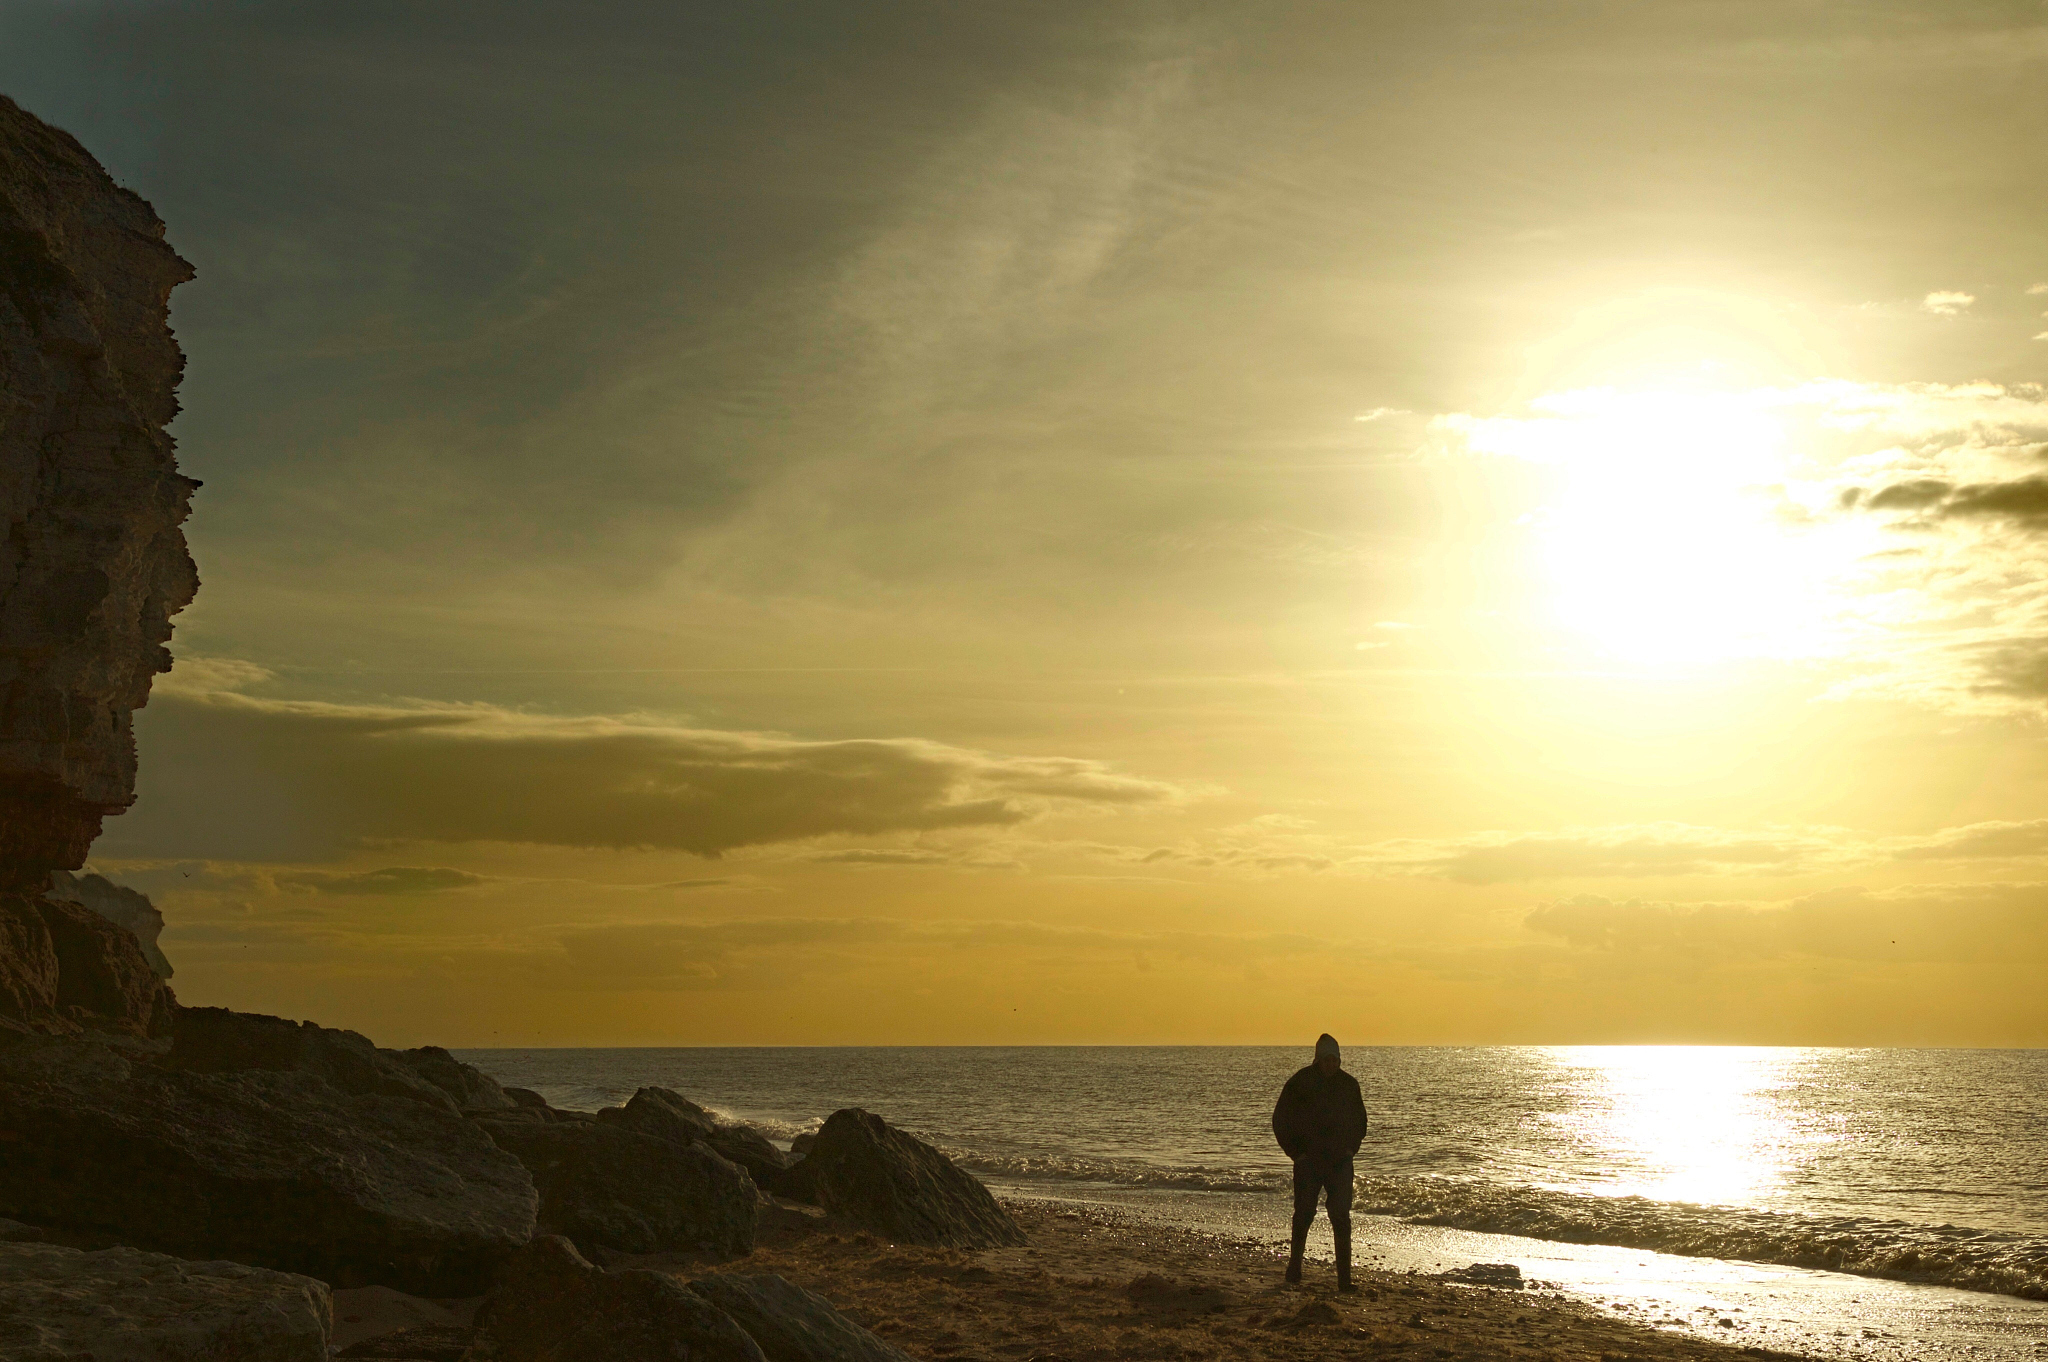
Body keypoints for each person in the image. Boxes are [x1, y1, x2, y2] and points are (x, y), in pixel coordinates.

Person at [1270, 1032, 1368, 1290]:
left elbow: (1361, 1121)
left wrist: (1351, 1150)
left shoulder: (1349, 1085)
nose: (1331, 1065)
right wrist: (1295, 1154)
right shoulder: (1300, 1082)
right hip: (1308, 1162)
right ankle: (1294, 1270)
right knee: (1303, 1215)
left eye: (1334, 1060)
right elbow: (1280, 1119)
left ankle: (1344, 1281)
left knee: (1341, 1218)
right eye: (1326, 1060)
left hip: (1340, 1163)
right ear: (1318, 1059)